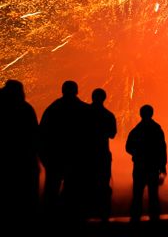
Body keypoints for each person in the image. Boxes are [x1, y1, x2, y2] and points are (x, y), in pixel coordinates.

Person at [39, 80, 91, 223]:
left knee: (52, 191)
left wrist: (45, 159)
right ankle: (74, 219)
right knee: (76, 191)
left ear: (62, 90)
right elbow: (92, 138)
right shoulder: (85, 110)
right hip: (78, 159)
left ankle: (50, 220)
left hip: (55, 158)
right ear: (77, 91)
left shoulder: (53, 109)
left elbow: (41, 135)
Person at [0, 80, 39, 231]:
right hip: (24, 161)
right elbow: (35, 135)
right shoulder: (26, 109)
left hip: (6, 160)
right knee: (24, 198)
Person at [126, 104, 167, 223]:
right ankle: (154, 219)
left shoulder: (137, 130)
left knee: (137, 194)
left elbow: (128, 147)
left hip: (139, 166)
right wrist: (163, 166)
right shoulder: (157, 129)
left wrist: (137, 154)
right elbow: (162, 148)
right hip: (153, 166)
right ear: (152, 114)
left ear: (141, 114)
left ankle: (135, 218)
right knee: (153, 194)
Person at [88, 88, 117, 221]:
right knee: (104, 184)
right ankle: (103, 213)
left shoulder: (83, 113)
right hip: (102, 153)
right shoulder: (108, 115)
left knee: (86, 183)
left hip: (86, 154)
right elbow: (112, 134)